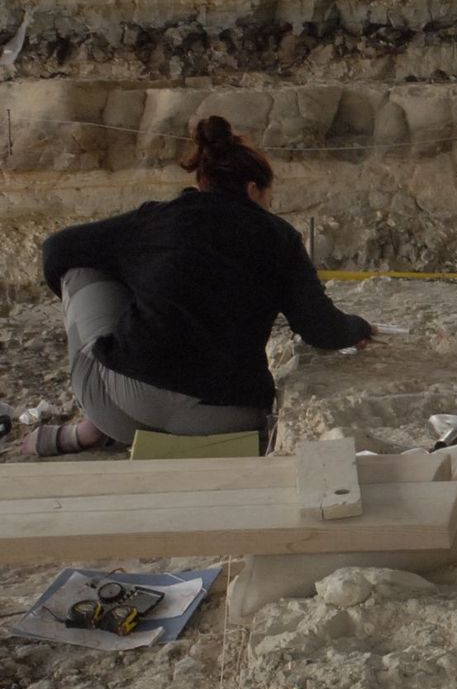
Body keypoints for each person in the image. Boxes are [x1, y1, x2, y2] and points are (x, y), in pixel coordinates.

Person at [27, 116, 372, 456]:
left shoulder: (162, 217)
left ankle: (90, 430)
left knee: (82, 266)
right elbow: (320, 328)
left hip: (122, 407)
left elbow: (56, 249)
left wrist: (129, 302)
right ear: (253, 190)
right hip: (227, 418)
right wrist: (358, 327)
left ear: (204, 182)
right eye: (269, 197)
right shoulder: (279, 236)